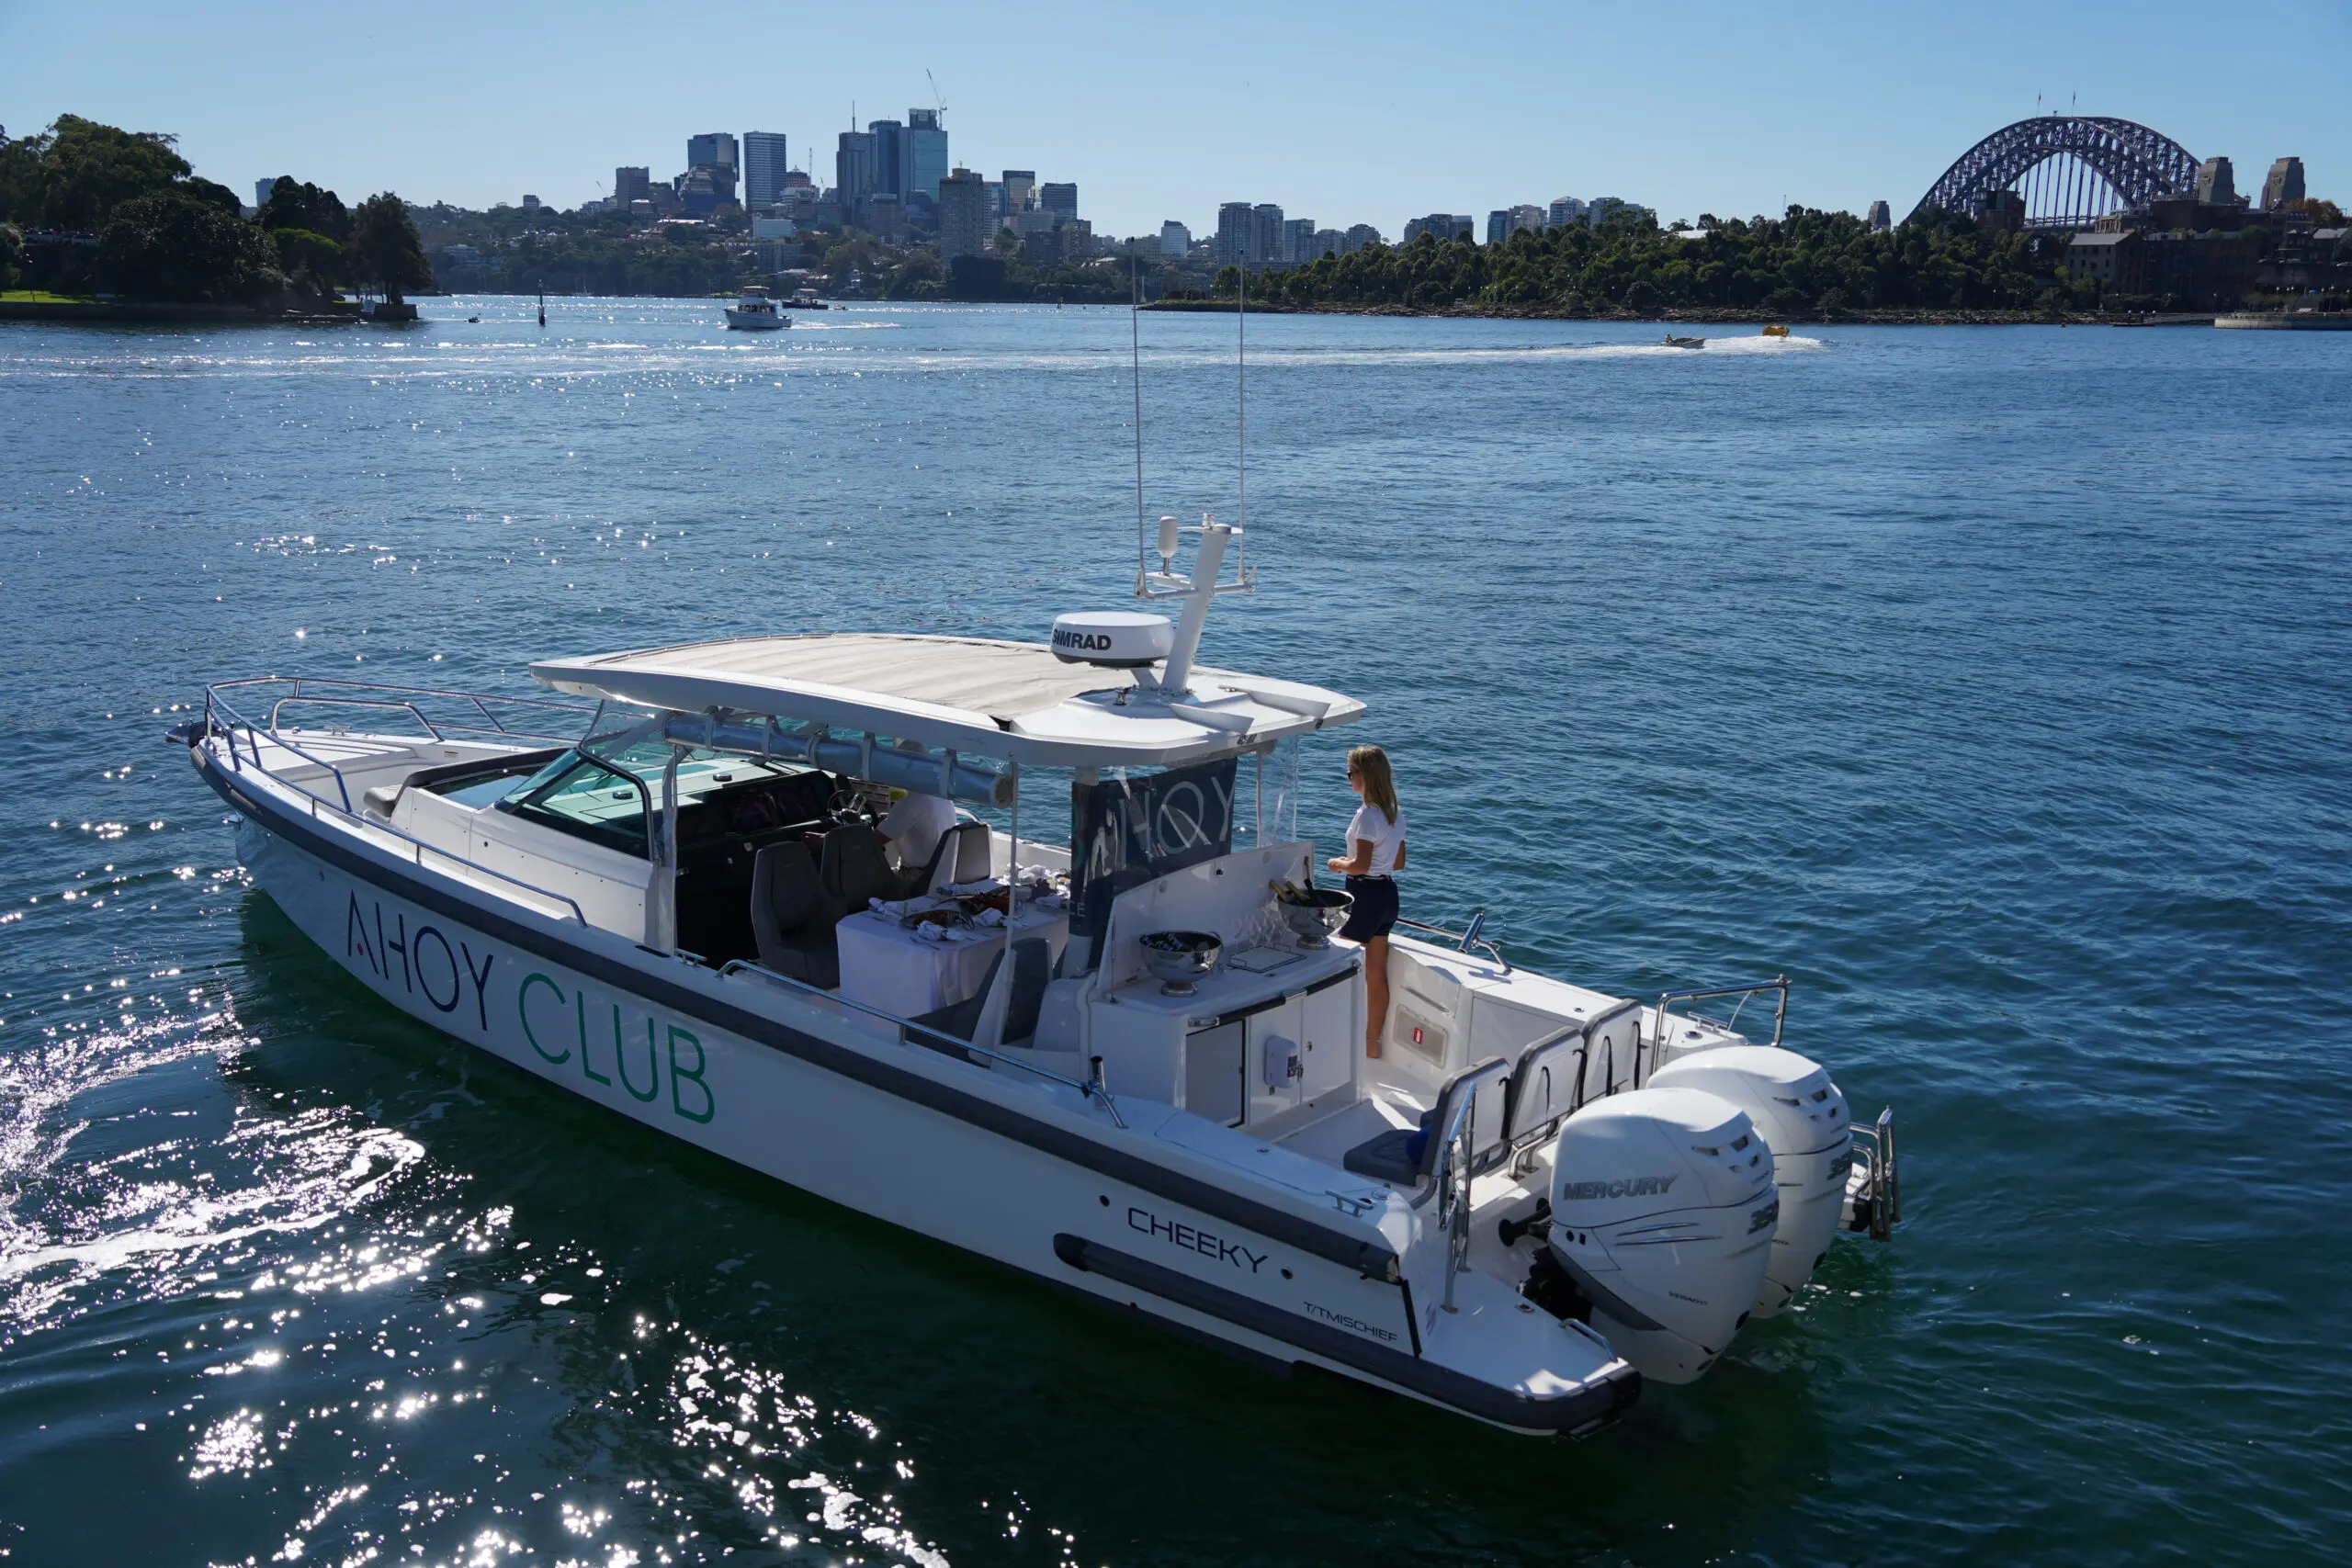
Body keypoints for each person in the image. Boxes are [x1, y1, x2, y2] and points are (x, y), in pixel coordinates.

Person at [1327, 744, 1405, 1058]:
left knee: (1335, 964)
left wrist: (1338, 863)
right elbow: (1398, 862)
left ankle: (1334, 1041)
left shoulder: (1366, 815)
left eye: (1350, 773)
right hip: (1387, 895)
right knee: (1376, 973)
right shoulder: (1394, 813)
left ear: (1364, 776)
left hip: (1365, 896)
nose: (1348, 779)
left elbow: (1360, 865)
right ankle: (1372, 1044)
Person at [878, 787, 956, 879]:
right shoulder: (943, 798)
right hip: (940, 873)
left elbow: (877, 839)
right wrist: (893, 817)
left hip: (917, 877)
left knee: (873, 879)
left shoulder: (912, 799)